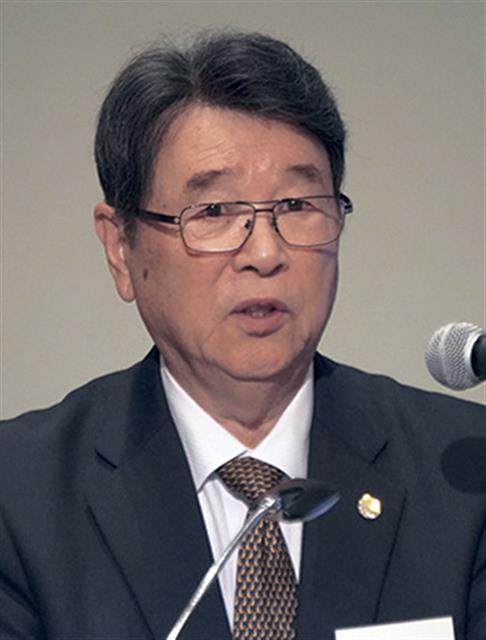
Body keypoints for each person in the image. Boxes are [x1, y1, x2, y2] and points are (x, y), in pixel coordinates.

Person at [0, 29, 485, 640]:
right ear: (121, 248)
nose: (265, 253)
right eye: (214, 212)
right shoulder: (19, 495)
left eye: (298, 205)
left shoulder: (465, 472)